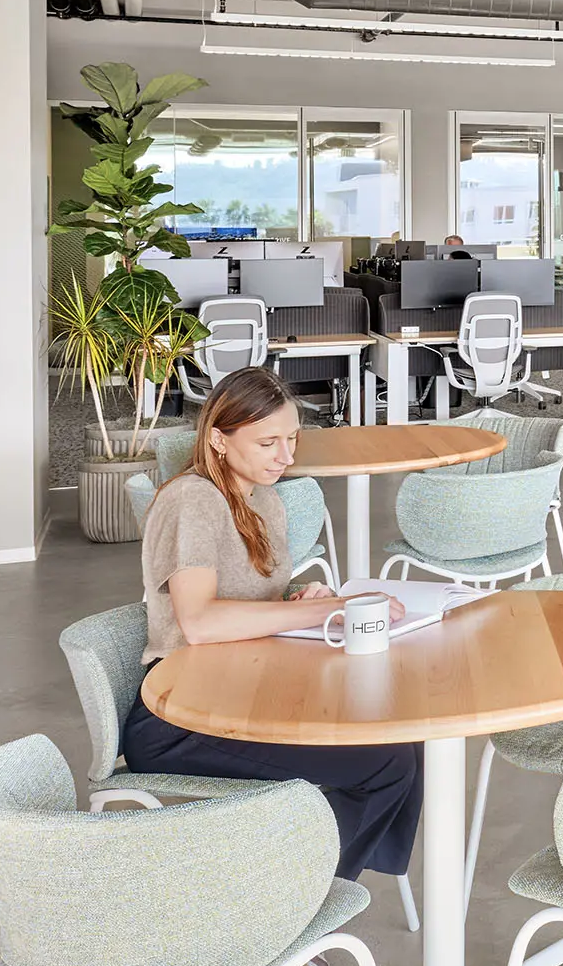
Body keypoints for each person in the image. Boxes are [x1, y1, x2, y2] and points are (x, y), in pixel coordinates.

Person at [120, 368, 421, 880]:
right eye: (267, 443)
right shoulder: (192, 500)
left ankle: (317, 881)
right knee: (387, 761)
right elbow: (199, 622)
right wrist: (327, 610)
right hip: (181, 717)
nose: (285, 456)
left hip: (243, 688)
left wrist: (300, 595)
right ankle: (300, 900)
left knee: (402, 734)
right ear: (219, 439)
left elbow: (246, 598)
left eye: (292, 439)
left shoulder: (262, 499)